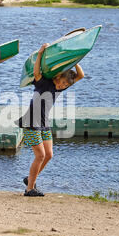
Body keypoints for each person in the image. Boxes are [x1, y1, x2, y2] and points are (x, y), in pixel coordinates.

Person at [16, 43, 84, 197]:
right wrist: (40, 53)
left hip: (44, 123)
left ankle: (30, 180)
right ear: (58, 76)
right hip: (31, 122)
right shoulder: (43, 82)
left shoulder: (59, 88)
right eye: (63, 82)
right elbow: (36, 71)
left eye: (66, 85)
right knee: (39, 155)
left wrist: (74, 61)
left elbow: (81, 76)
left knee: (49, 155)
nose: (63, 85)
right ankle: (29, 189)